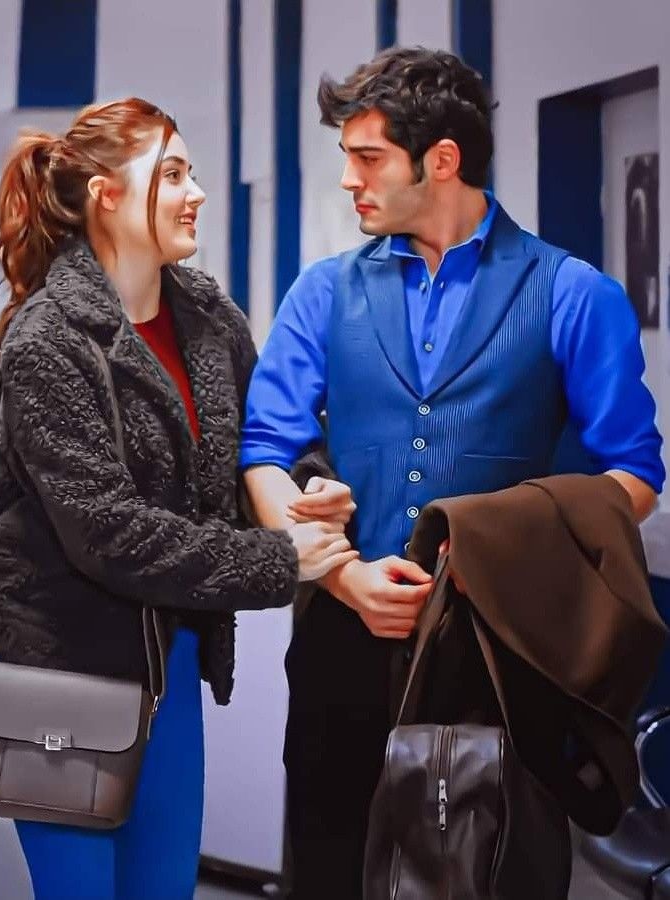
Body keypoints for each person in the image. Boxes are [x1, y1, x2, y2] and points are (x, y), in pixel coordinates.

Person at [240, 48, 666, 898]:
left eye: (368, 159)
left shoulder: (574, 293)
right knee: (330, 871)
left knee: (492, 873)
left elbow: (633, 473)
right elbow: (265, 452)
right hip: (341, 643)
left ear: (441, 160)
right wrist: (343, 574)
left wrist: (506, 554)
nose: (350, 181)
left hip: (500, 660)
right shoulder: (320, 294)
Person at [0, 98, 357, 900]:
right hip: (61, 667)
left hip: (166, 663)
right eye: (172, 173)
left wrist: (310, 486)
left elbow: (268, 436)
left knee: (163, 889)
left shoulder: (206, 316)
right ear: (108, 194)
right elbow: (108, 535)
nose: (198, 191)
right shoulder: (51, 339)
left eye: (192, 171)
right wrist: (280, 558)